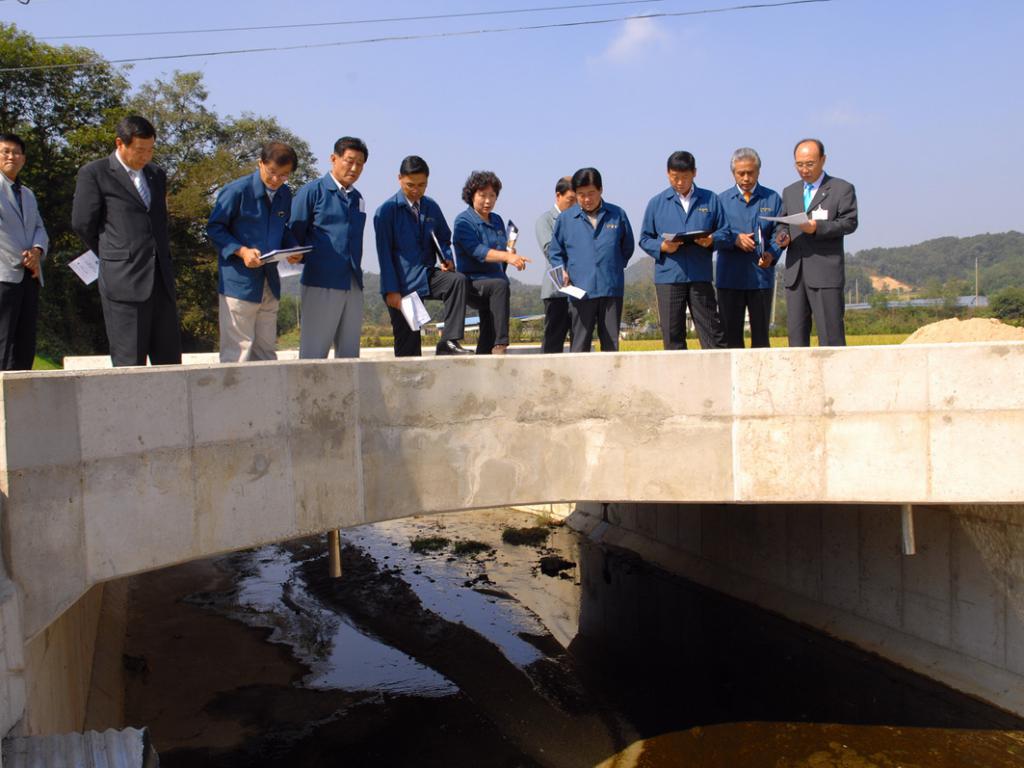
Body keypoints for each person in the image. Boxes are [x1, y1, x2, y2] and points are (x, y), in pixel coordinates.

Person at [72, 115, 182, 366]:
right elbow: (82, 224)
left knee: (169, 361)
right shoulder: (95, 173)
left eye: (151, 149)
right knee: (129, 362)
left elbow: (159, 223)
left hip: (160, 280)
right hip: (124, 281)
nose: (146, 156)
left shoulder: (156, 174)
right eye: (140, 150)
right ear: (120, 143)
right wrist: (114, 254)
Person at [206, 141, 300, 362]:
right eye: (272, 173)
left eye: (284, 175)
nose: (277, 180)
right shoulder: (237, 191)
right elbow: (214, 228)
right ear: (260, 164)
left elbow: (282, 229)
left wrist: (293, 248)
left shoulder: (285, 194)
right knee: (237, 353)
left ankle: (267, 397)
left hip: (269, 283)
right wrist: (241, 251)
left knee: (266, 353)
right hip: (239, 284)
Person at [374, 155, 470, 357]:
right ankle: (406, 387)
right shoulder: (386, 212)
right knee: (408, 346)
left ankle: (448, 341)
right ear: (399, 178)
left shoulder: (431, 206)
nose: (416, 190)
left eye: (422, 185)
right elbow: (384, 255)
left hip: (427, 275)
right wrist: (391, 290)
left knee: (457, 281)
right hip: (403, 285)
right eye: (410, 185)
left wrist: (447, 258)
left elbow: (444, 238)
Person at [639, 151, 730, 350]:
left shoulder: (710, 199)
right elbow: (645, 239)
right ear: (667, 174)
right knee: (672, 336)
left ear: (695, 173)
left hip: (700, 276)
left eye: (685, 177)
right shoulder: (657, 203)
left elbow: (726, 232)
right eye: (675, 177)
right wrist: (662, 246)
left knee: (712, 333)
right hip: (669, 277)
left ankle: (717, 378)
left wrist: (711, 240)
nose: (680, 182)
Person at [290, 136, 368, 359]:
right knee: (313, 356)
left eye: (360, 163)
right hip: (321, 281)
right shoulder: (312, 192)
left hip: (352, 282)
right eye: (349, 161)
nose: (354, 168)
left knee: (350, 356)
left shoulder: (358, 198)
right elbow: (293, 236)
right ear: (334, 159)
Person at [775, 138, 858, 347]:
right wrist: (782, 235)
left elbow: (849, 223)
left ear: (823, 160)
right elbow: (783, 222)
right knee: (796, 339)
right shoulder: (790, 191)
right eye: (799, 164)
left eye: (809, 164)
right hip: (795, 273)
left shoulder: (841, 189)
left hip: (825, 273)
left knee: (831, 337)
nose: (804, 170)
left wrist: (817, 228)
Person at [547, 167, 634, 353]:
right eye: (581, 195)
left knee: (611, 346)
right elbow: (555, 251)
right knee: (579, 345)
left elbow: (627, 247)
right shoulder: (565, 219)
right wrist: (561, 269)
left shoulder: (618, 214)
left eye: (591, 193)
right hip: (580, 292)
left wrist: (613, 266)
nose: (586, 199)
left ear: (601, 190)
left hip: (611, 289)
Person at [453, 170, 529, 355]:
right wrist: (506, 257)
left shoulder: (497, 220)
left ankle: (484, 353)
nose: (488, 201)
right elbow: (477, 251)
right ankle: (500, 344)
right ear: (471, 195)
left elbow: (502, 250)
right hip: (473, 280)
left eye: (492, 196)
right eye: (482, 195)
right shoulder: (463, 221)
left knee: (489, 319)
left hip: (494, 278)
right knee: (500, 285)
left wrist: (511, 254)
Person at [715, 147, 783, 348]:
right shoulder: (720, 201)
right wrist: (734, 240)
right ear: (733, 173)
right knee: (731, 339)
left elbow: (780, 232)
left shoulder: (772, 198)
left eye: (750, 173)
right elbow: (713, 236)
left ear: (759, 171)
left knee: (761, 339)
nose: (746, 178)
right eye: (740, 173)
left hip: (761, 279)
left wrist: (771, 253)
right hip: (730, 279)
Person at [0, 133, 48, 370]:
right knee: (3, 342)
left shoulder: (27, 194)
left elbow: (39, 227)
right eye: (6, 151)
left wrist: (37, 251)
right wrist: (22, 258)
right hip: (4, 276)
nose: (11, 156)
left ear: (23, 159)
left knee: (24, 342)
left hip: (29, 276)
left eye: (16, 152)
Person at [534, 177, 576, 353]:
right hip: (555, 290)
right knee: (553, 339)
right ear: (558, 196)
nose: (575, 204)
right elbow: (550, 249)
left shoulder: (578, 219)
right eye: (571, 199)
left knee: (579, 337)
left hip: (577, 289)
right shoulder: (546, 220)